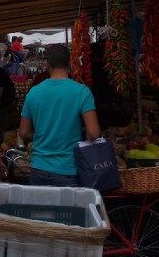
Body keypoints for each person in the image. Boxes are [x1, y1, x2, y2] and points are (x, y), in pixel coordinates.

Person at [19, 44, 101, 186]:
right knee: (67, 209)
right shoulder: (82, 92)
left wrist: (43, 133)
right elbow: (94, 133)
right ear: (69, 63)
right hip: (68, 169)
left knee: (40, 209)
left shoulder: (34, 92)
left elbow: (24, 132)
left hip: (38, 168)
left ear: (47, 63)